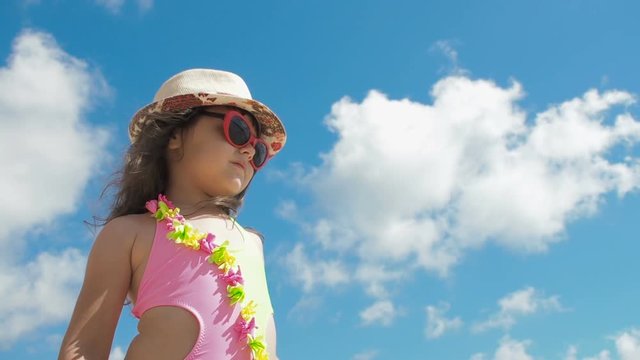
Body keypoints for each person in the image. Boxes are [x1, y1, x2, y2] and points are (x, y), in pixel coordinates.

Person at [58, 68, 287, 360]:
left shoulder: (252, 243)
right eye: (238, 131)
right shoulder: (129, 233)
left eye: (258, 151)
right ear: (174, 135)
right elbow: (83, 348)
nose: (248, 153)